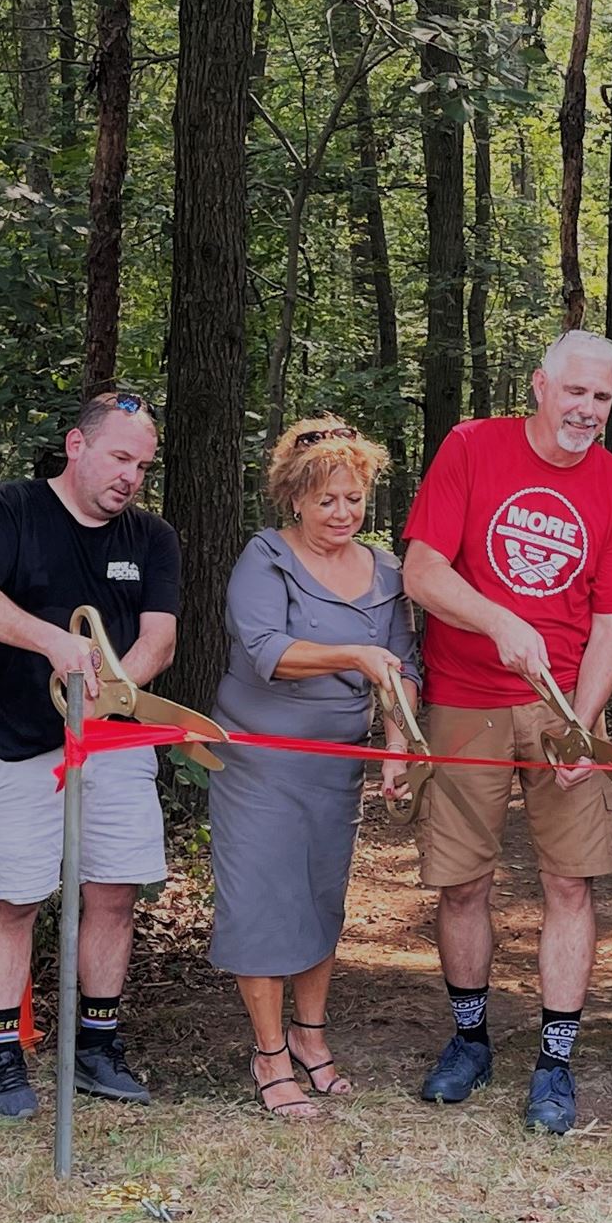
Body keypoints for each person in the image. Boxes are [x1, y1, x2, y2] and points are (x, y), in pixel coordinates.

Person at [402, 329, 612, 1134]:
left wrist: (581, 721)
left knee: (570, 882)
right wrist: (498, 618)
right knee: (464, 880)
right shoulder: (473, 448)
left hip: (563, 707)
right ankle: (469, 1040)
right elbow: (424, 570)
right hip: (465, 700)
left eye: (601, 397)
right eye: (575, 392)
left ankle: (556, 1061)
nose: (587, 410)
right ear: (540, 386)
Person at [0, 390, 180, 1119]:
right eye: (119, 458)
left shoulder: (151, 537)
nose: (130, 477)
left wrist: (115, 686)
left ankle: (98, 1049)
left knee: (114, 891)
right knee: (15, 897)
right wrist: (52, 641)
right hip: (19, 746)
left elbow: (160, 639)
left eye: (142, 466)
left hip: (113, 743)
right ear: (78, 447)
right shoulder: (8, 509)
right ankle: (5, 1057)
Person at [207, 418, 417, 1118]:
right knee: (264, 899)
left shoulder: (385, 570)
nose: (342, 513)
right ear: (294, 498)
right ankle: (268, 1053)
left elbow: (400, 668)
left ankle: (310, 1033)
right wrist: (351, 657)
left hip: (338, 766)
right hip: (259, 761)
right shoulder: (264, 558)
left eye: (353, 499)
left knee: (321, 898)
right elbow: (267, 646)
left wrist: (395, 743)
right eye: (327, 499)